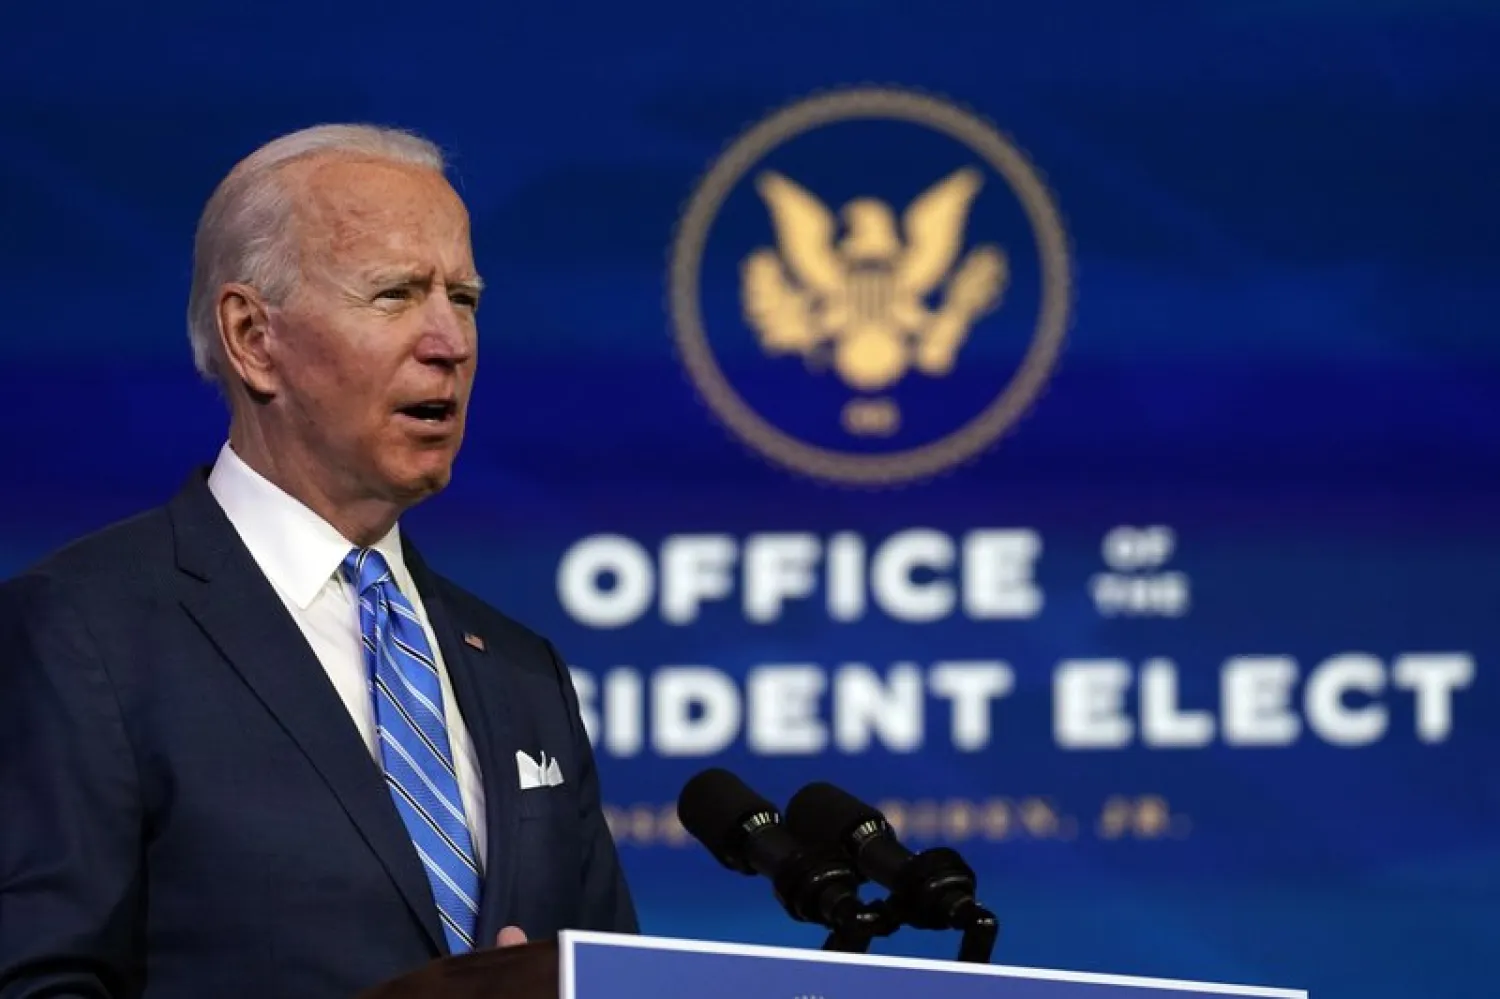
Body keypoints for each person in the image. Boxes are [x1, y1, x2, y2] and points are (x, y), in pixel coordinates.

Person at [0, 124, 637, 998]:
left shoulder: (523, 674)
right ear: (252, 336)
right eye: (395, 295)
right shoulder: (80, 633)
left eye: (466, 297)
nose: (449, 340)